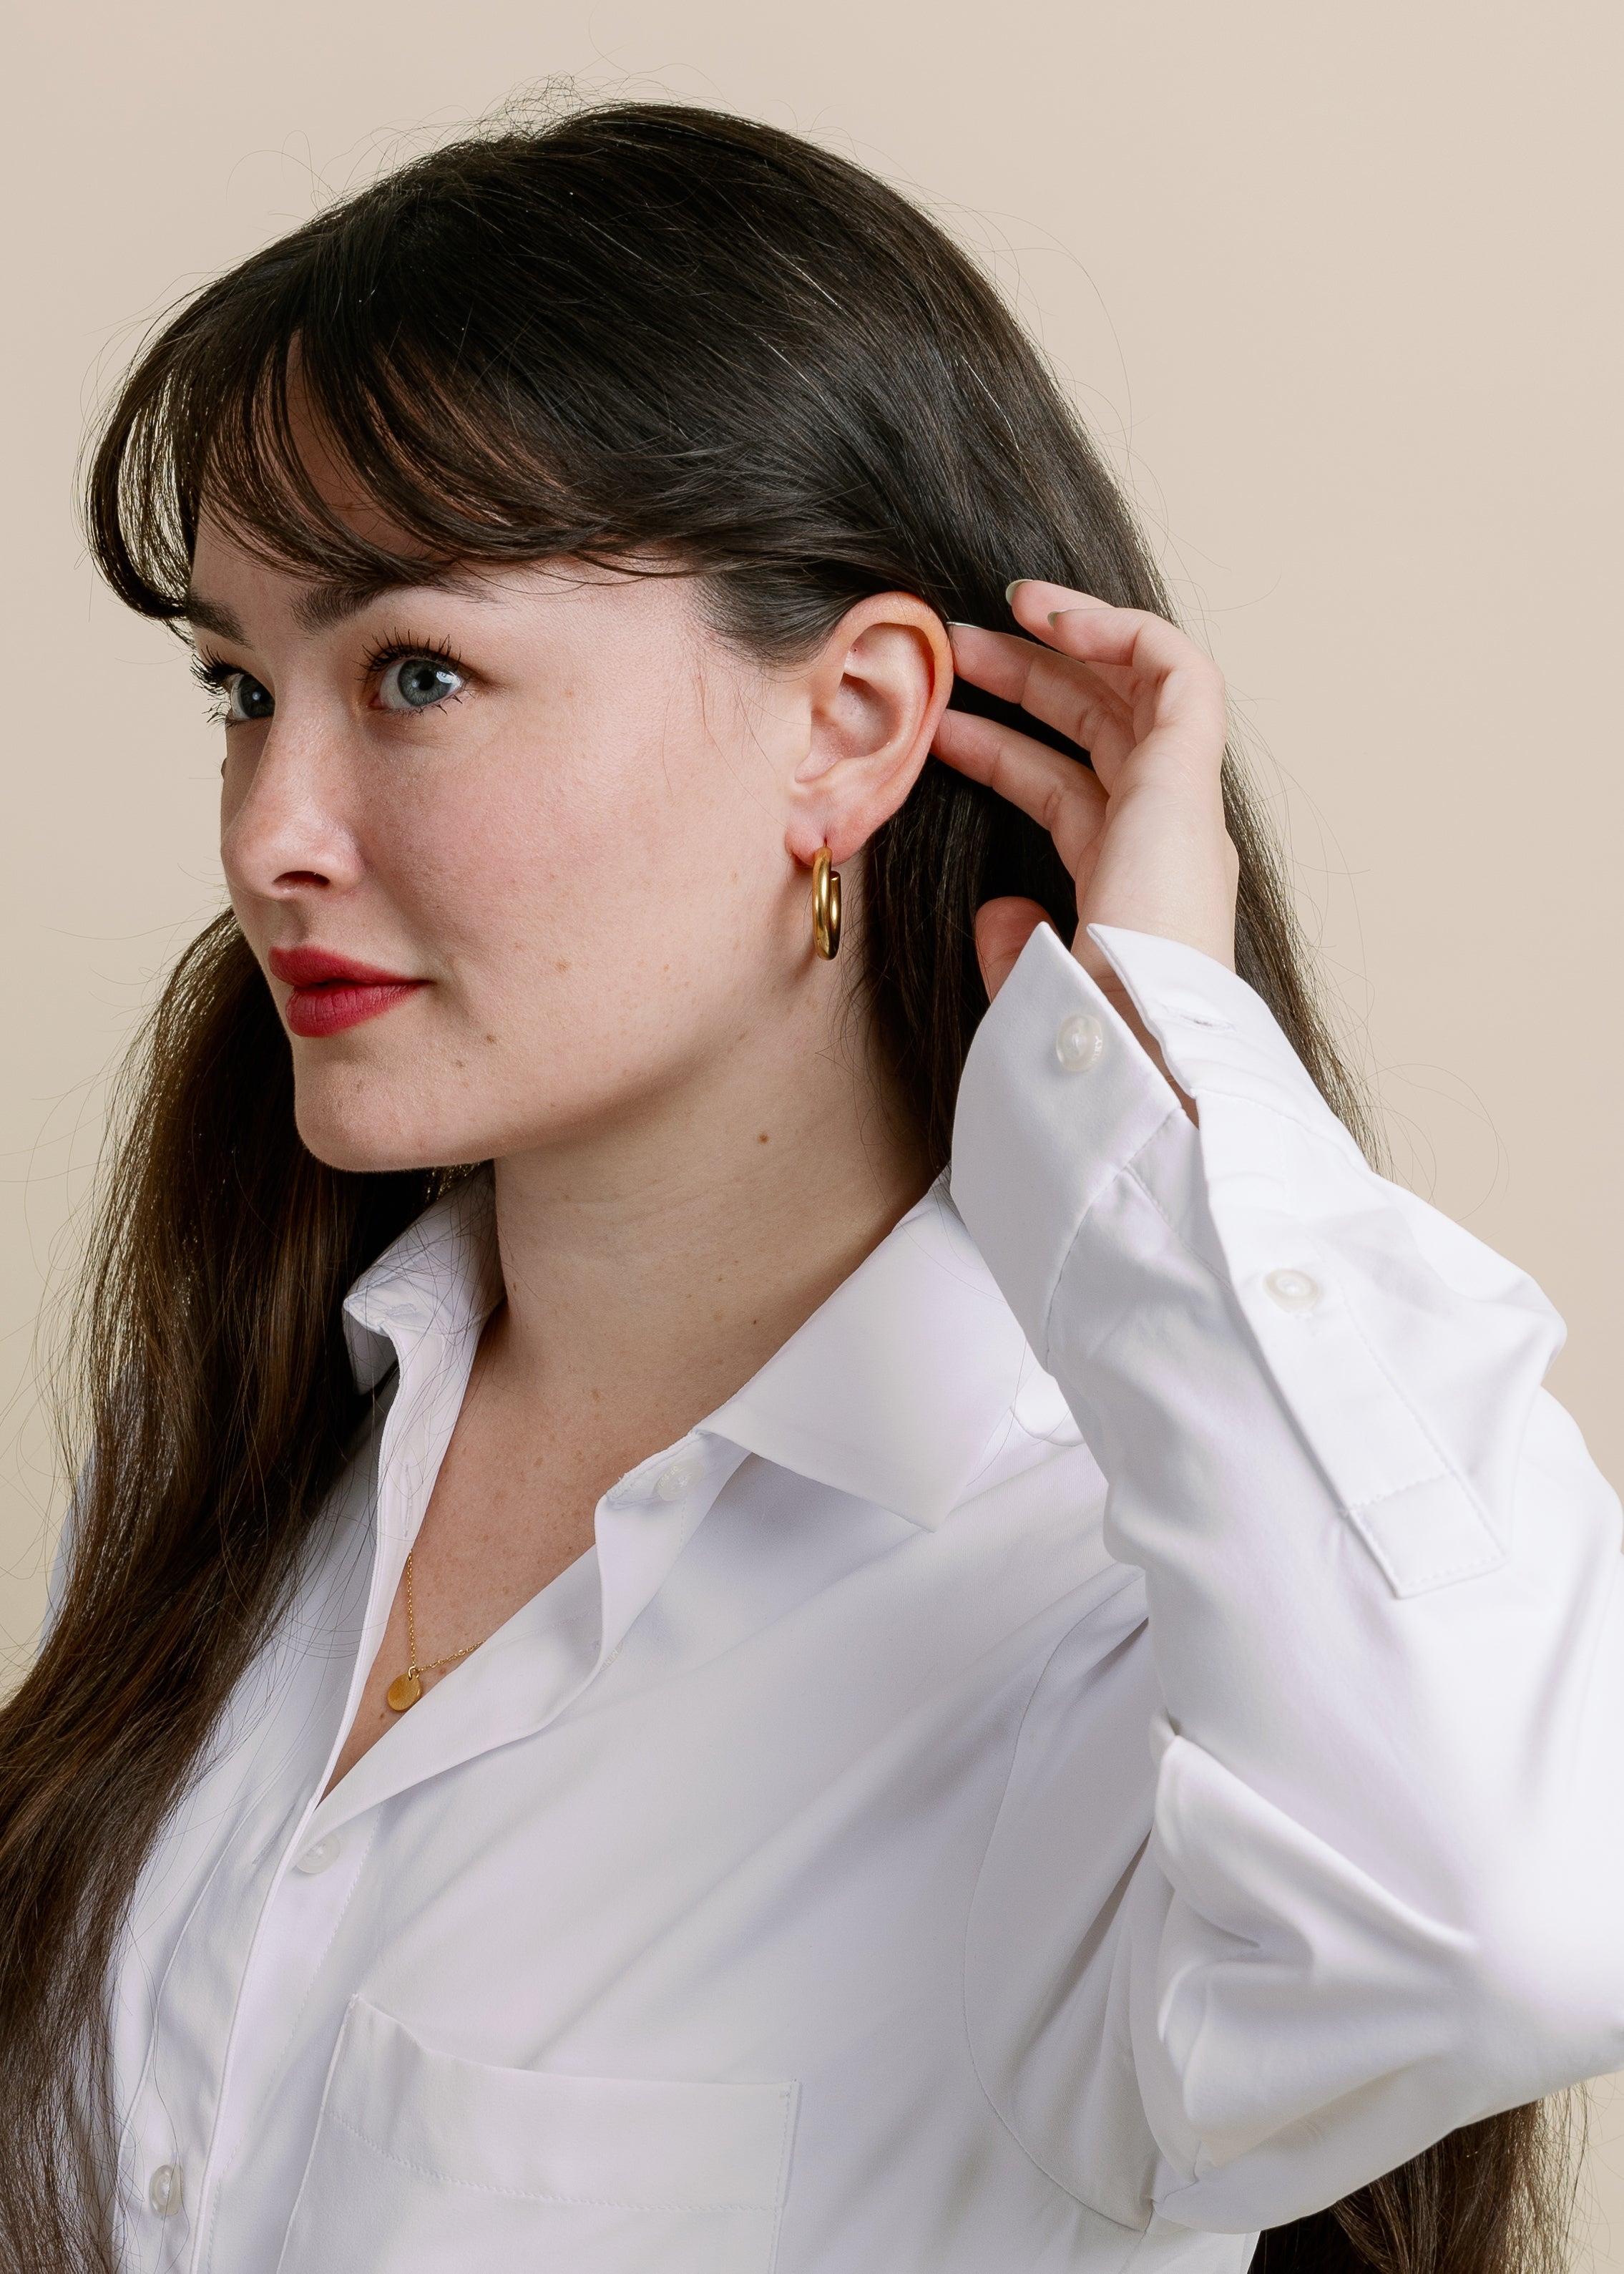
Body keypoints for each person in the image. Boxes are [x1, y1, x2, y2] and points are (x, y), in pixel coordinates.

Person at [1, 98, 1617, 2274]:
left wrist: (1157, 1070)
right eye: (238, 686)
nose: (270, 830)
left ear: (851, 724)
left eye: (414, 674)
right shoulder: (250, 1433)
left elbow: (1511, 1917)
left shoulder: (1108, 1596)